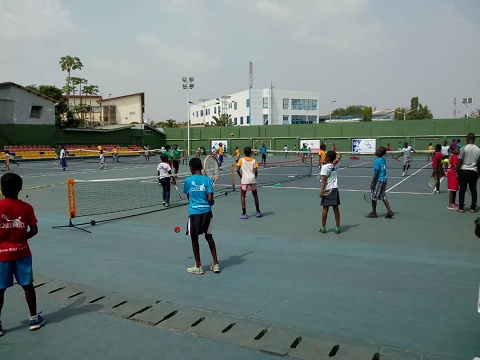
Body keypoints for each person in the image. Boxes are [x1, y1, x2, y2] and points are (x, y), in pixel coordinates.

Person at [0, 173, 45, 336]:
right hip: (22, 254)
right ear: (20, 188)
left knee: (0, 290)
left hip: (1, 256)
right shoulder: (26, 207)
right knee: (28, 286)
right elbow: (34, 230)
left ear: (2, 188)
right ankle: (34, 319)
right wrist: (20, 237)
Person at [182, 158, 220, 275]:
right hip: (207, 213)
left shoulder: (188, 181)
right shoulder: (208, 181)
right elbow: (210, 200)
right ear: (202, 168)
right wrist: (211, 201)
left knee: (194, 239)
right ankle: (216, 263)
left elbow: (189, 197)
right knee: (209, 236)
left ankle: (198, 266)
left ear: (191, 169)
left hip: (194, 213)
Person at [366, 146, 394, 219]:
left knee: (373, 196)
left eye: (377, 150)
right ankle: (389, 210)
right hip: (384, 180)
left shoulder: (377, 161)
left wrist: (372, 182)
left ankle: (374, 213)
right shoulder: (383, 160)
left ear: (380, 153)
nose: (375, 151)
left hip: (379, 180)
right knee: (383, 196)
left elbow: (377, 172)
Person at [456, 133, 480, 213]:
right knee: (473, 190)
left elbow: (460, 160)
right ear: (474, 139)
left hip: (464, 171)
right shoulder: (478, 149)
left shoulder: (464, 148)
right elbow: (479, 163)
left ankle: (461, 207)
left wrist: (456, 169)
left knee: (462, 190)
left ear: (467, 139)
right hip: (474, 171)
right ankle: (473, 208)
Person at [319, 151, 342, 234]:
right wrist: (336, 160)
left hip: (327, 190)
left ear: (328, 158)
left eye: (326, 156)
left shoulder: (324, 167)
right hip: (335, 189)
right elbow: (339, 155)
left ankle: (323, 228)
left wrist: (322, 191)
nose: (325, 157)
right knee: (336, 209)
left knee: (325, 208)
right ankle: (337, 228)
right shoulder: (336, 164)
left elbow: (324, 180)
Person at [236, 147, 262, 219]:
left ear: (244, 153)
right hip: (252, 178)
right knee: (255, 195)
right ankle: (257, 211)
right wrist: (255, 177)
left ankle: (244, 213)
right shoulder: (254, 161)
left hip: (245, 179)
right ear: (250, 153)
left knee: (243, 196)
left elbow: (237, 170)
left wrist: (241, 176)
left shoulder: (241, 160)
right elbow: (256, 171)